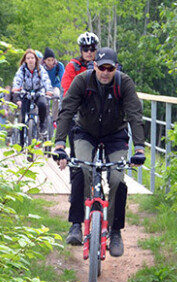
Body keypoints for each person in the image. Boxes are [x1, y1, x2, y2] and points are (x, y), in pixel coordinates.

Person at [54, 47, 146, 257]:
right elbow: (67, 111)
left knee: (117, 179)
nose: (105, 72)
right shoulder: (82, 81)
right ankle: (76, 224)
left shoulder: (125, 83)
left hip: (115, 134)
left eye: (109, 68)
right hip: (85, 131)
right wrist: (59, 143)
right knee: (81, 169)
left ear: (116, 68)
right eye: (101, 68)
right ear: (94, 66)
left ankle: (115, 232)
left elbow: (134, 114)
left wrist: (139, 148)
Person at [11, 48, 53, 146]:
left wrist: (48, 90)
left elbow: (45, 79)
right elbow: (18, 79)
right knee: (22, 118)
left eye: (32, 58)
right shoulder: (22, 70)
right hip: (26, 93)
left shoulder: (40, 69)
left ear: (36, 59)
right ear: (25, 60)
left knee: (42, 105)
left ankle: (42, 124)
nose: (30, 60)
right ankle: (21, 143)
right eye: (28, 58)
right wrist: (16, 88)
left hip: (39, 92)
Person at [42, 47, 64, 126]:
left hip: (55, 85)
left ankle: (55, 119)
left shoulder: (59, 66)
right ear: (44, 60)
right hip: (43, 87)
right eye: (48, 60)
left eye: (52, 60)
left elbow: (63, 78)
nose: (51, 62)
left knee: (57, 97)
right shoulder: (40, 67)